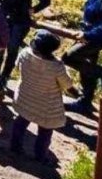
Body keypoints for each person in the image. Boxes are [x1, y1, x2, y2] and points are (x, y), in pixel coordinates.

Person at [9, 30, 72, 164]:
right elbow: (67, 84)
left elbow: (17, 66)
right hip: (46, 105)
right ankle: (40, 156)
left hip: (25, 96)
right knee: (45, 131)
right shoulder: (56, 66)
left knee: (20, 122)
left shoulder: (25, 54)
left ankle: (15, 146)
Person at [0, 0, 51, 92]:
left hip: (21, 21)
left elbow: (46, 1)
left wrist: (34, 9)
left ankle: (5, 76)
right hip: (5, 19)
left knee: (12, 49)